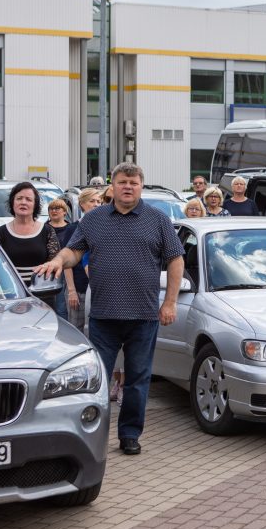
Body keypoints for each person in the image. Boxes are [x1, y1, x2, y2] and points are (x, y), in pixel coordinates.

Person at [34, 162, 184, 456]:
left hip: (143, 316)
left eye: (134, 182)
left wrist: (170, 302)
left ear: (141, 186)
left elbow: (175, 259)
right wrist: (58, 261)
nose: (128, 187)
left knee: (138, 380)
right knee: (98, 380)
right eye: (123, 182)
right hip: (103, 316)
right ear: (112, 187)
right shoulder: (94, 219)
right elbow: (74, 251)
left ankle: (129, 434)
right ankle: (96, 433)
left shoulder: (158, 220)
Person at [0, 182, 60, 285]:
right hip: (11, 293)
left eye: (28, 199)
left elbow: (55, 263)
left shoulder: (47, 231)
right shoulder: (1, 233)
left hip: (42, 293)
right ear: (12, 202)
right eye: (19, 198)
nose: (23, 202)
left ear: (35, 205)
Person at [67, 188, 103, 332]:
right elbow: (66, 263)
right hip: (79, 287)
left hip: (99, 289)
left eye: (99, 202)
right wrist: (71, 291)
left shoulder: (104, 228)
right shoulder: (73, 228)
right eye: (92, 201)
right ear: (82, 204)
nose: (96, 204)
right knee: (77, 331)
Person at [47, 198, 75, 320]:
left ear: (65, 211)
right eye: (51, 209)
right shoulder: (44, 229)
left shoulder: (71, 228)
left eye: (57, 208)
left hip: (67, 271)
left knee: (61, 307)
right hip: (48, 271)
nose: (54, 211)